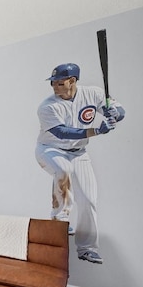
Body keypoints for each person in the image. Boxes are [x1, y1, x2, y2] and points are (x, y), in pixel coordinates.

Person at [35, 63, 125, 264]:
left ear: (73, 81)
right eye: (53, 84)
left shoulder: (93, 94)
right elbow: (62, 132)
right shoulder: (47, 106)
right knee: (63, 169)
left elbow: (120, 110)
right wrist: (97, 130)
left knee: (88, 198)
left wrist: (114, 115)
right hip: (50, 149)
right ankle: (60, 221)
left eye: (59, 83)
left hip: (79, 152)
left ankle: (87, 248)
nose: (55, 87)